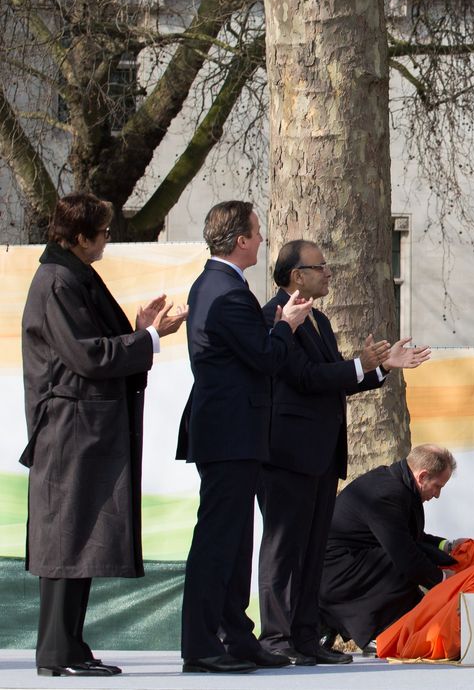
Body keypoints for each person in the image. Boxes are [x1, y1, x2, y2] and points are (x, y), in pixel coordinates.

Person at [20, 193, 187, 677]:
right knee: (66, 539)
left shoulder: (70, 274)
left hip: (82, 427)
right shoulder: (56, 281)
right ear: (79, 237)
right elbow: (88, 356)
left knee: (80, 537)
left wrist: (141, 330)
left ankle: (70, 645)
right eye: (103, 232)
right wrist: (151, 339)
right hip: (70, 429)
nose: (108, 240)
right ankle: (55, 653)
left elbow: (94, 347)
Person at [257, 240, 431, 666]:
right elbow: (303, 376)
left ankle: (305, 637)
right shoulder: (276, 317)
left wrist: (380, 367)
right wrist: (359, 364)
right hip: (286, 454)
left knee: (312, 548)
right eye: (320, 267)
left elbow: (334, 380)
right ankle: (276, 638)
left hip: (321, 454)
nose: (328, 273)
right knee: (283, 548)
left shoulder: (319, 320)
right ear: (296, 275)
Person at [176, 201, 312, 674]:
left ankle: (236, 636)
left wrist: (275, 327)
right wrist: (286, 327)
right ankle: (201, 644)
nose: (260, 240)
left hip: (231, 431)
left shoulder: (218, 286)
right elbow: (264, 358)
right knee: (218, 541)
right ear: (239, 240)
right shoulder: (227, 292)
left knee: (233, 540)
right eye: (256, 232)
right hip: (229, 431)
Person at [320, 445, 463, 651]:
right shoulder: (385, 495)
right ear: (422, 476)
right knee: (401, 565)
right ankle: (387, 631)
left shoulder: (397, 483)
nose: (437, 495)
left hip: (347, 565)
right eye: (438, 486)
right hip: (334, 574)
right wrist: (443, 581)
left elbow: (411, 536)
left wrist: (447, 546)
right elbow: (405, 555)